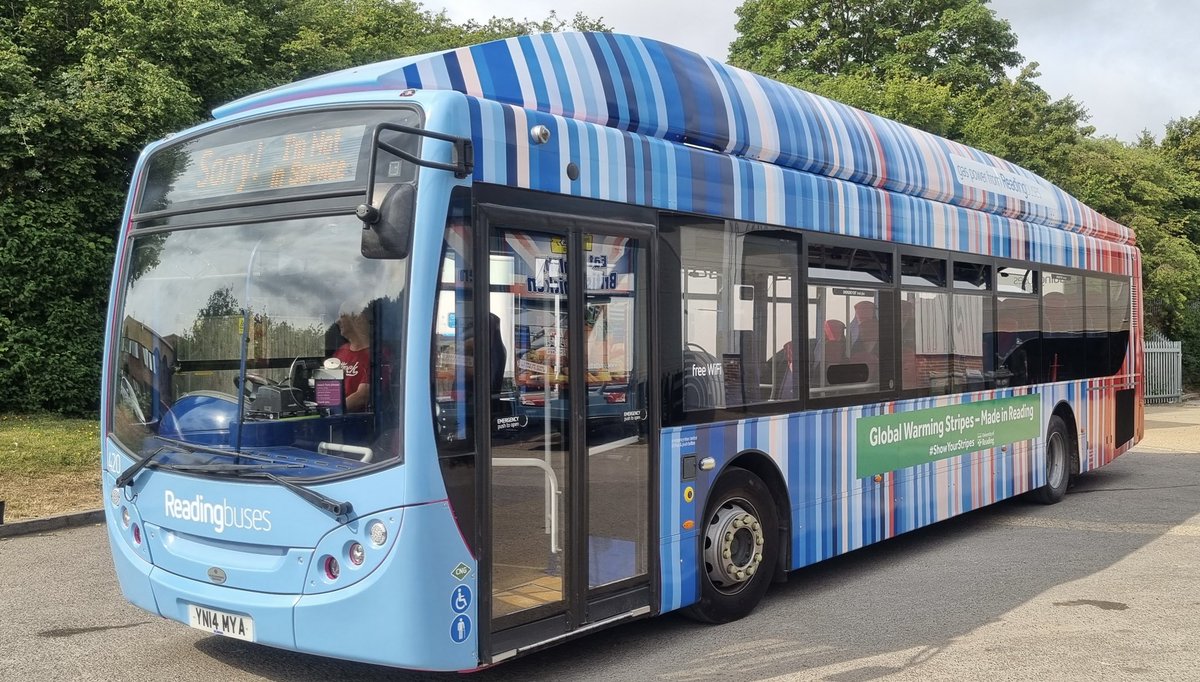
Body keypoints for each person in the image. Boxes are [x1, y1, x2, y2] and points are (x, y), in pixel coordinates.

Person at [332, 299, 372, 412]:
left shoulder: (377, 354)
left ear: (358, 318)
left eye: (342, 316)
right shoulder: (340, 352)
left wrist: (333, 412)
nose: (337, 321)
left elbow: (362, 396)